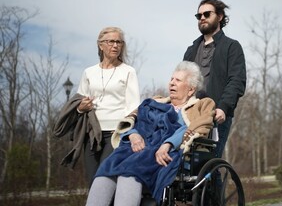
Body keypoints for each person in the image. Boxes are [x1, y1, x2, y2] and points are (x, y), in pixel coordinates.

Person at [85, 61, 215, 206]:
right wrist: (133, 135)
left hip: (165, 152)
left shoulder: (200, 106)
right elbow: (131, 121)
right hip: (136, 147)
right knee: (106, 168)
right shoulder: (155, 102)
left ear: (191, 89)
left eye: (177, 80)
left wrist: (168, 144)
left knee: (130, 171)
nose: (171, 83)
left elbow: (196, 127)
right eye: (171, 79)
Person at [54, 26, 140, 187]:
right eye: (111, 41)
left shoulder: (128, 71)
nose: (115, 45)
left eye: (119, 42)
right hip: (91, 134)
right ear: (101, 45)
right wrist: (81, 108)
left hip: (115, 134)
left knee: (104, 180)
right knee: (92, 182)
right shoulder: (88, 72)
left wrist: (128, 131)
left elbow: (133, 106)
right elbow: (79, 104)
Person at [183, 0, 246, 158]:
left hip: (216, 114)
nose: (202, 18)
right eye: (199, 16)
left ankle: (214, 184)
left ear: (219, 16)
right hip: (190, 114)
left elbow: (237, 81)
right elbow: (183, 81)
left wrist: (223, 107)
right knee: (186, 164)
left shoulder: (231, 47)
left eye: (206, 14)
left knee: (209, 163)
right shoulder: (191, 50)